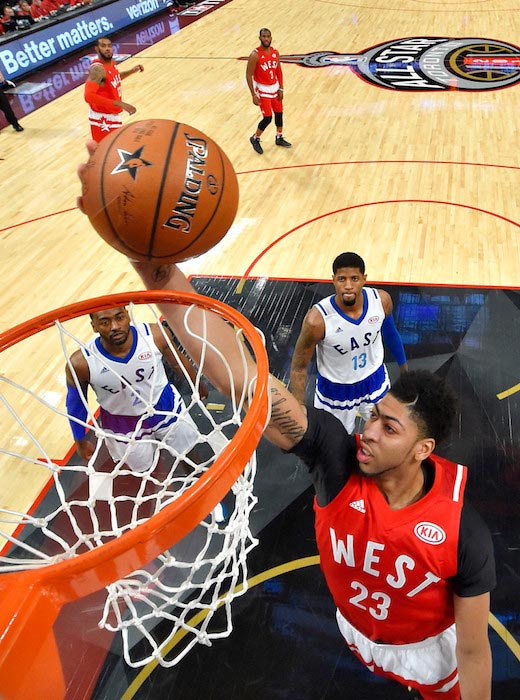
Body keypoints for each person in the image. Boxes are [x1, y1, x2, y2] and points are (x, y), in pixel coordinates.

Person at [77, 146, 496, 700]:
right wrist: (153, 268)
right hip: (356, 632)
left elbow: (472, 648)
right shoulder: (336, 458)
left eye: (389, 429)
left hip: (429, 650)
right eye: (374, 418)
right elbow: (245, 380)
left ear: (425, 450)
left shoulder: (464, 533)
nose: (367, 431)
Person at [65, 306, 208, 472]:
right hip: (122, 422)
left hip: (164, 404)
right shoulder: (81, 363)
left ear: (127, 315)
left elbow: (177, 362)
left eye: (119, 318)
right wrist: (79, 439)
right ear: (94, 326)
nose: (115, 326)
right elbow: (76, 403)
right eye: (105, 322)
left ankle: (200, 482)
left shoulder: (154, 335)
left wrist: (197, 383)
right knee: (146, 471)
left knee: (188, 454)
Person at [290, 251, 408, 434]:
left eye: (354, 278)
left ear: (364, 279)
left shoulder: (381, 301)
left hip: (374, 380)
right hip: (335, 390)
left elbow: (391, 334)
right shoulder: (317, 320)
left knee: (385, 435)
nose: (348, 286)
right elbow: (299, 366)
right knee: (333, 442)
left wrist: (405, 372)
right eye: (342, 279)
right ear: (333, 280)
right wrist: (299, 407)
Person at [84, 36, 144, 143]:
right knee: (106, 152)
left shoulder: (111, 63)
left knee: (114, 151)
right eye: (103, 46)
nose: (107, 49)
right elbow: (88, 96)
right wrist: (120, 104)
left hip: (112, 115)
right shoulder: (97, 69)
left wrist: (132, 71)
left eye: (109, 46)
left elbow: (113, 78)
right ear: (97, 49)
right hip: (102, 118)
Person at [246, 27, 291, 154]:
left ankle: (279, 137)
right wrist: (253, 94)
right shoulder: (255, 55)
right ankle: (255, 138)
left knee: (279, 113)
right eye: (264, 36)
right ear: (260, 38)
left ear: (271, 38)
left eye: (268, 36)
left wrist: (281, 88)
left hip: (275, 87)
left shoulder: (275, 52)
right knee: (267, 117)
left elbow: (279, 71)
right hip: (262, 89)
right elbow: (248, 75)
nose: (266, 39)